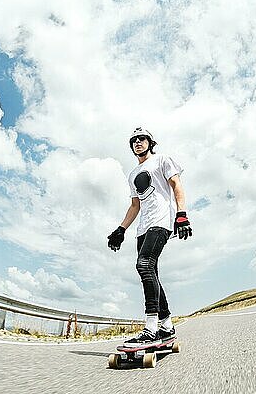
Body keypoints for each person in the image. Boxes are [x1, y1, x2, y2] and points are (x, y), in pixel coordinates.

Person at [107, 127, 192, 346]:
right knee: (150, 271)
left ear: (150, 142)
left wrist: (181, 214)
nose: (138, 142)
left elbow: (176, 185)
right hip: (142, 228)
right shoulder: (132, 175)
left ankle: (150, 328)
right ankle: (167, 325)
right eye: (134, 140)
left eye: (142, 139)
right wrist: (121, 229)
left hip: (161, 222)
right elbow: (135, 205)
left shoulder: (163, 160)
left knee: (143, 264)